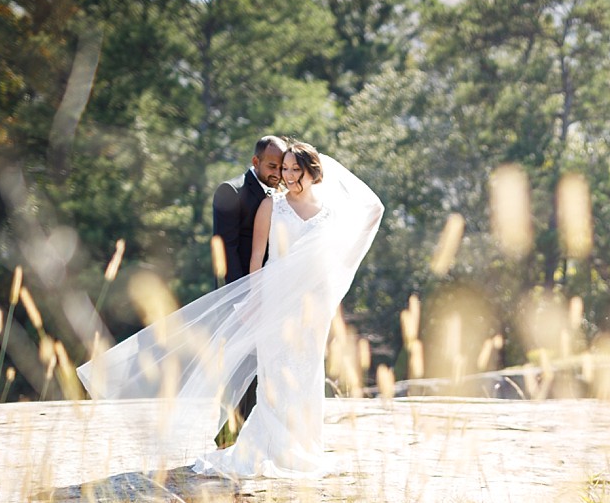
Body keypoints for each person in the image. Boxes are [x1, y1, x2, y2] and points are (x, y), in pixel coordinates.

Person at [78, 140, 383, 479]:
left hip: (311, 310)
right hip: (275, 304)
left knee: (305, 376)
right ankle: (269, 448)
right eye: (285, 169)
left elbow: (370, 213)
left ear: (313, 172)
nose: (289, 175)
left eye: (296, 169)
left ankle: (305, 448)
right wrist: (255, 301)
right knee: (274, 376)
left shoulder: (328, 211)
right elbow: (256, 259)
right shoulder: (272, 207)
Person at [213, 135, 286, 284]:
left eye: (282, 167)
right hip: (242, 290)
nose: (278, 174)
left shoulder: (284, 193)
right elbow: (227, 251)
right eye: (272, 166)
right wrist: (241, 297)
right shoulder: (231, 191)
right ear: (256, 162)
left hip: (275, 287)